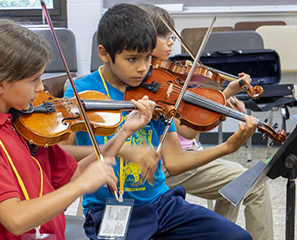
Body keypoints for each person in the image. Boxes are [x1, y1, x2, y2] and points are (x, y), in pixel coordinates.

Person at [0, 19, 157, 240]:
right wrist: (82, 187)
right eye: (34, 79)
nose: (41, 88)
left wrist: (124, 132)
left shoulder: (24, 122)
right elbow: (15, 220)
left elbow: (73, 175)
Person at [63, 3, 257, 240]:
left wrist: (228, 147)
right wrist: (120, 148)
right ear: (104, 53)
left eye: (147, 58)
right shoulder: (81, 92)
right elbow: (61, 153)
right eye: (132, 59)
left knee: (238, 237)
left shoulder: (157, 92)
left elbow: (174, 161)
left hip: (161, 203)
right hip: (109, 209)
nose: (143, 68)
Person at [137, 3, 274, 240]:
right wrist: (225, 98)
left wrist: (226, 93)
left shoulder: (166, 75)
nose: (171, 42)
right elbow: (186, 129)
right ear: (143, 39)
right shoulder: (144, 80)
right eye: (165, 36)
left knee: (237, 184)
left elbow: (188, 113)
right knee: (252, 182)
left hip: (183, 155)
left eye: (172, 36)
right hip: (166, 167)